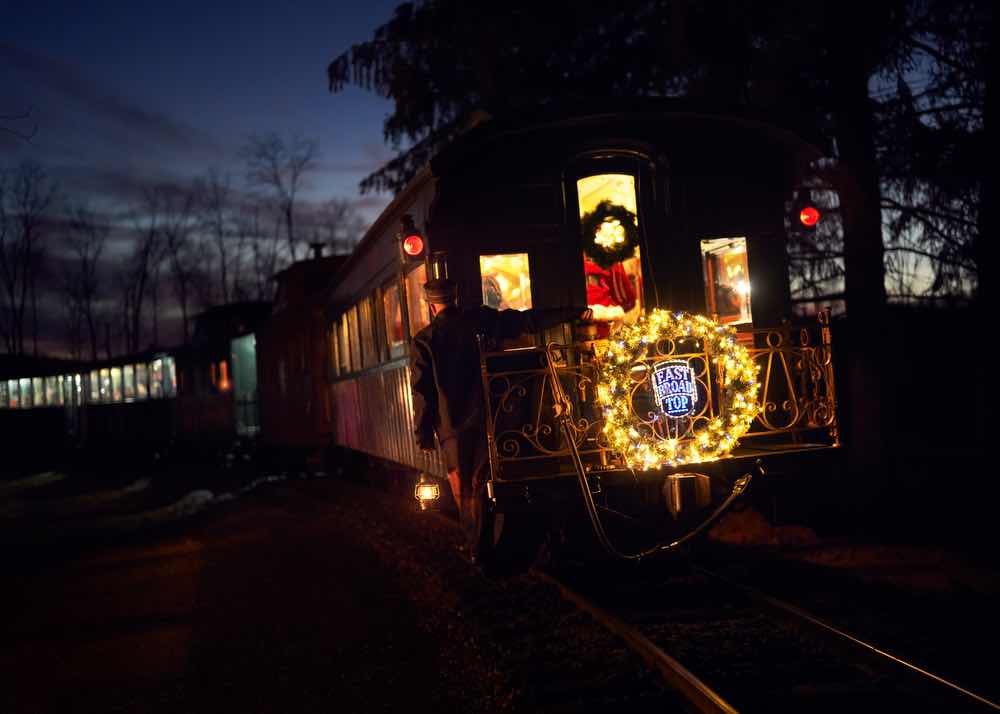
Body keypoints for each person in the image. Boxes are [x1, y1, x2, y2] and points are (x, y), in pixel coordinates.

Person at [410, 277, 591, 563]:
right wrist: (573, 311)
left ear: (431, 306)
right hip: (493, 417)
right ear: (454, 298)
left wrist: (423, 436)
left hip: (453, 427)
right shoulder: (479, 320)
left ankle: (477, 549)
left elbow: (423, 393)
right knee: (487, 478)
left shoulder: (425, 340)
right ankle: (492, 541)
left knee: (464, 486)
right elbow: (526, 321)